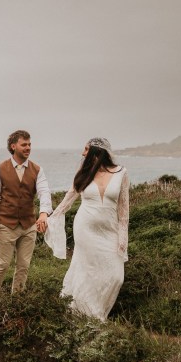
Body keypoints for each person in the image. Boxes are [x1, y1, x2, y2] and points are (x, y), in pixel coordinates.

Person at [44, 137, 129, 320]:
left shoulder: (122, 173)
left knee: (116, 276)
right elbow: (69, 199)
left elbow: (123, 213)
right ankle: (89, 315)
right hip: (85, 229)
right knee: (87, 271)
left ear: (96, 152)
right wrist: (51, 218)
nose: (82, 153)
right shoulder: (83, 172)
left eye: (85, 149)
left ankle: (94, 310)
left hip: (110, 231)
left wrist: (123, 240)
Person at [0, 129, 53, 298]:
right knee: (2, 264)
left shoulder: (37, 170)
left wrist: (44, 213)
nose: (28, 147)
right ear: (13, 146)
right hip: (7, 224)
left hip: (29, 225)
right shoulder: (0, 169)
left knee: (23, 266)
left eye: (29, 144)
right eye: (24, 144)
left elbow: (45, 192)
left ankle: (17, 301)